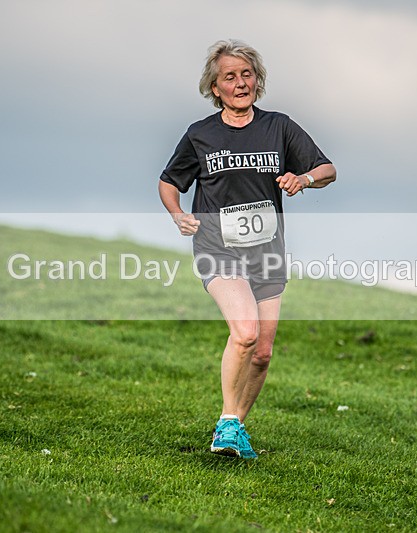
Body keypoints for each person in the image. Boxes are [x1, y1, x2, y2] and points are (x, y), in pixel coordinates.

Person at [158, 39, 336, 459]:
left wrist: (304, 179)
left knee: (263, 353)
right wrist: (177, 214)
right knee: (245, 333)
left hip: (267, 252)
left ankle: (235, 425)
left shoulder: (279, 127)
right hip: (218, 247)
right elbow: (169, 181)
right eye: (229, 77)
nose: (240, 83)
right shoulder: (200, 135)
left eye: (247, 74)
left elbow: (327, 169)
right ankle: (226, 423)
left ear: (257, 79)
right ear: (215, 88)